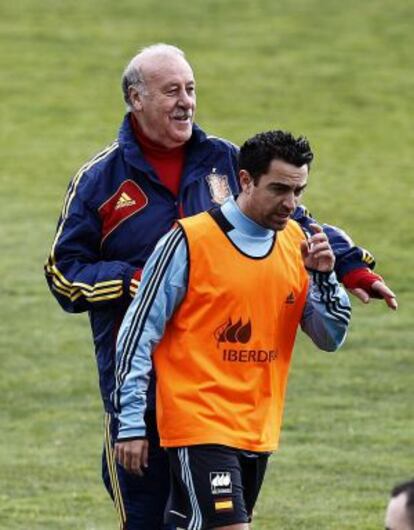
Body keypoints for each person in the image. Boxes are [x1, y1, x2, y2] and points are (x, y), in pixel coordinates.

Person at [44, 44, 397, 530]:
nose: (186, 101)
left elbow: (294, 220)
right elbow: (64, 274)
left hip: (219, 394)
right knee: (149, 519)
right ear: (135, 98)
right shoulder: (100, 180)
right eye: (171, 91)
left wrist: (354, 268)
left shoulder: (227, 161)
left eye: (191, 89)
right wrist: (132, 282)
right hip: (141, 391)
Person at [113, 130, 351, 530]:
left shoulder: (299, 244)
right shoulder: (189, 240)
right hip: (199, 423)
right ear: (245, 180)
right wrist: (132, 422)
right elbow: (138, 334)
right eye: (278, 189)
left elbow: (330, 338)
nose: (290, 204)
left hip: (259, 429)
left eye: (298, 191)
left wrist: (325, 278)